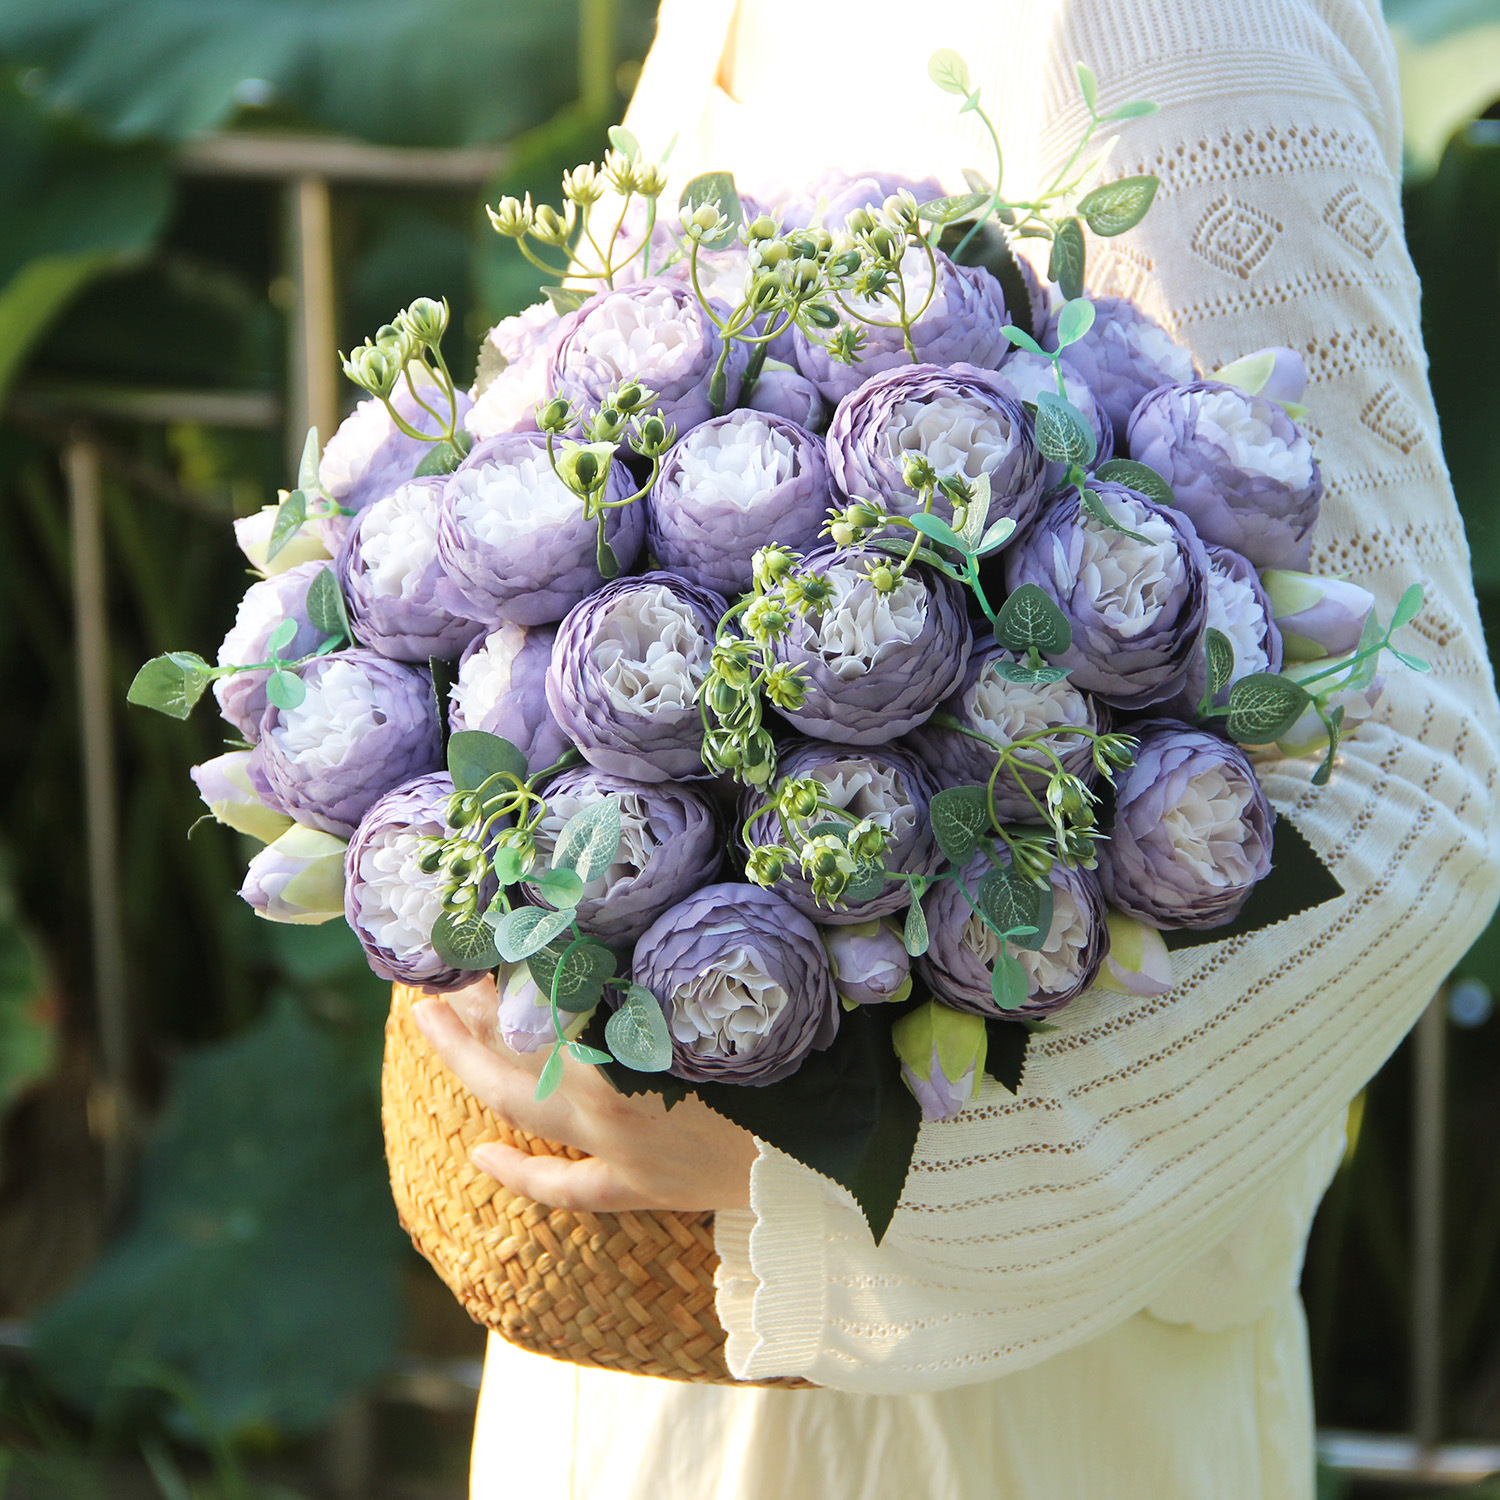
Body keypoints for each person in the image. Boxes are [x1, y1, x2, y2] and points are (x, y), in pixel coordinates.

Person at [415, 0, 1500, 1494]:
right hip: (646, 1357)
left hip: (993, 1413)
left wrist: (843, 1185)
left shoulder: (1145, 26)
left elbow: (1421, 792)